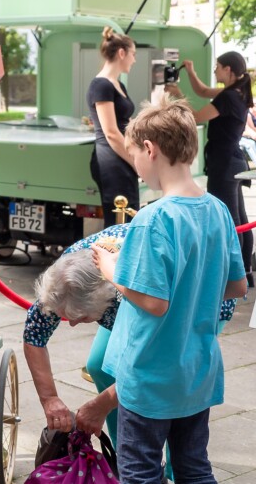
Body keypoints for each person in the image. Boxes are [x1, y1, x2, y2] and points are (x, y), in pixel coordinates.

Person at [93, 98, 247, 484]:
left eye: (135, 155)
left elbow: (154, 303)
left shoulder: (153, 218)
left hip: (150, 377)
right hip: (198, 373)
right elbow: (237, 285)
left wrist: (113, 272)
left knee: (141, 472)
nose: (137, 168)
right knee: (194, 467)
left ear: (150, 149)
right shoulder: (218, 210)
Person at [24, 224, 238, 478]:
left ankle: (171, 464)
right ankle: (127, 454)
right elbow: (34, 335)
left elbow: (156, 360)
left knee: (172, 387)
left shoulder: (133, 290)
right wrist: (50, 399)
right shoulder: (67, 275)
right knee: (100, 365)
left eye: (80, 318)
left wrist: (100, 406)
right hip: (130, 298)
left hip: (197, 305)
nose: (71, 323)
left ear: (106, 302)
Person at [172, 51, 254, 287]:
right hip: (235, 161)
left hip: (225, 163)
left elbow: (197, 117)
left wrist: (178, 97)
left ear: (228, 70)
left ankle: (234, 275)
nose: (215, 70)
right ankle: (246, 272)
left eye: (218, 67)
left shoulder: (228, 97)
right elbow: (204, 92)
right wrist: (190, 71)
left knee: (229, 220)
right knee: (240, 218)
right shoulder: (236, 91)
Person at [86, 27, 139, 225]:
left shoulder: (117, 84)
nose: (134, 60)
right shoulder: (101, 85)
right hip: (112, 161)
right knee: (119, 221)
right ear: (121, 53)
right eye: (133, 54)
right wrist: (135, 162)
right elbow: (111, 133)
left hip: (121, 158)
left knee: (130, 216)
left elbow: (123, 122)